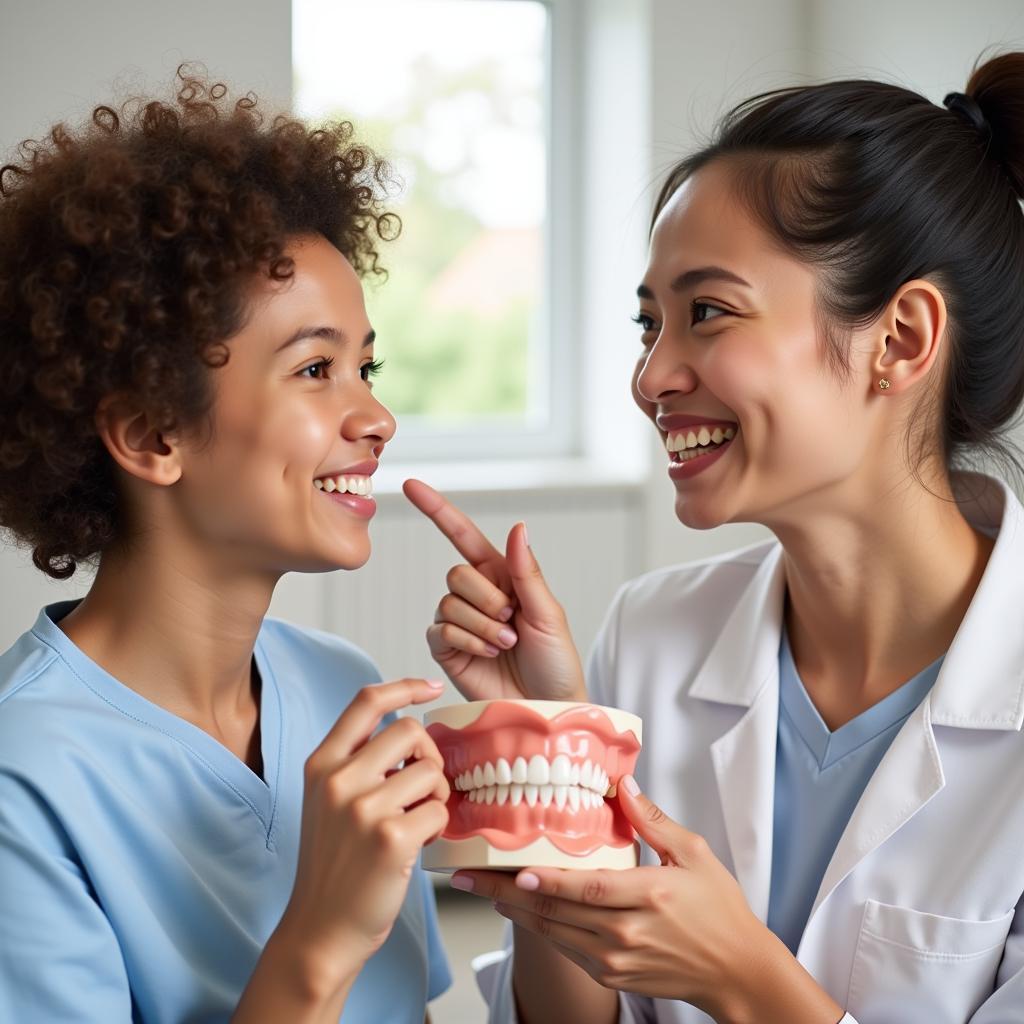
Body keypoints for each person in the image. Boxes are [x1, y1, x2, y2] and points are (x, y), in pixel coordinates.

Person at [404, 50, 1024, 1023]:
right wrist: (556, 763)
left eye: (706, 313)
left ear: (900, 338)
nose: (651, 377)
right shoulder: (651, 636)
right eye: (649, 326)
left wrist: (740, 974)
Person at [0, 71, 452, 1023]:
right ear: (153, 435)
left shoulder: (346, 692)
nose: (376, 416)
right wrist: (320, 940)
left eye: (366, 366)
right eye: (317, 369)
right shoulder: (21, 779)